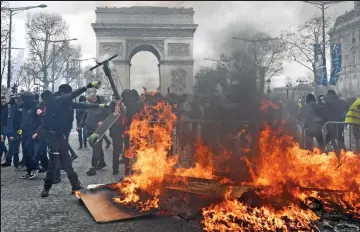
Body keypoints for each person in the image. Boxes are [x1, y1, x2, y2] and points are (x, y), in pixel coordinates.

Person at [38, 81, 100, 197]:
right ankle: (46, 187)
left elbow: (81, 105)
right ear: (63, 93)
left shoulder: (64, 103)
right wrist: (87, 86)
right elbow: (73, 95)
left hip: (61, 136)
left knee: (67, 163)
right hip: (53, 137)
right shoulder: (57, 100)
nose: (69, 96)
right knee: (53, 163)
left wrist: (99, 105)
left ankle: (75, 185)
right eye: (67, 94)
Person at [8, 92, 40, 179]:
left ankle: (35, 166)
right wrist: (20, 131)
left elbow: (40, 121)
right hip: (24, 132)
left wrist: (37, 132)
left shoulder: (36, 108)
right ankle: (29, 171)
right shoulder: (24, 108)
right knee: (25, 152)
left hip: (32, 133)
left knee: (26, 150)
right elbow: (23, 121)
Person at [78, 94, 109, 176]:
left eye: (89, 100)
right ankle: (102, 162)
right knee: (96, 147)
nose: (88, 102)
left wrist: (102, 121)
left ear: (95, 99)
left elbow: (110, 117)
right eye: (88, 100)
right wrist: (79, 125)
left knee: (96, 147)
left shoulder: (103, 107)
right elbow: (84, 118)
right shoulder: (88, 108)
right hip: (89, 130)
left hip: (98, 130)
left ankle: (93, 167)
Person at [1, 96, 8, 163]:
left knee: (2, 140)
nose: (2, 103)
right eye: (1, 101)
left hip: (5, 126)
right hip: (1, 125)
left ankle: (5, 152)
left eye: (3, 101)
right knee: (1, 141)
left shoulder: (8, 108)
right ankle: (5, 151)